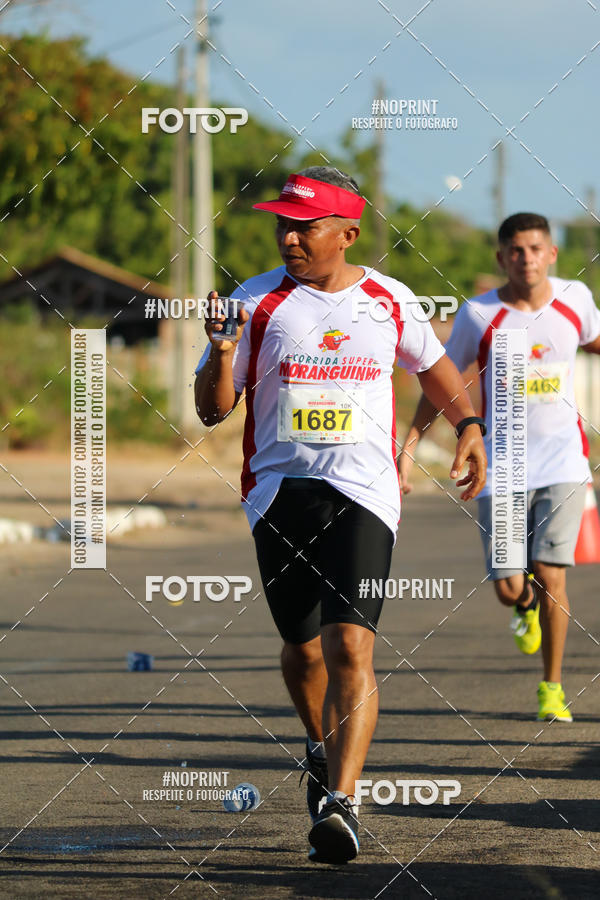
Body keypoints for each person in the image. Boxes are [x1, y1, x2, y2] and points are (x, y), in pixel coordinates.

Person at [194, 166, 486, 864]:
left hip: (365, 492)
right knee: (301, 650)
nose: (289, 238)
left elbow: (435, 367)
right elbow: (211, 409)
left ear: (347, 233)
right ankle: (319, 746)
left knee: (350, 645)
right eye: (282, 226)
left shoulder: (388, 300)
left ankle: (343, 802)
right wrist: (225, 350)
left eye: (306, 227)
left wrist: (468, 425)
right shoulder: (255, 301)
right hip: (276, 492)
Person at [400, 212, 600, 723]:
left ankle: (552, 688)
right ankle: (524, 605)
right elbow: (442, 377)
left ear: (551, 254)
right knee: (512, 585)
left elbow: (594, 339)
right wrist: (412, 441)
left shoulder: (575, 298)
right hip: (503, 467)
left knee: (553, 574)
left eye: (536, 249)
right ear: (502, 257)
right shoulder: (478, 315)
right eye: (516, 250)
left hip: (564, 462)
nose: (526, 258)